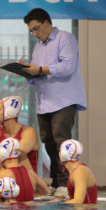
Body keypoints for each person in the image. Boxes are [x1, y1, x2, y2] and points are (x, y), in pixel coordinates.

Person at [22, 8, 87, 197]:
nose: (34, 34)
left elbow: (68, 67)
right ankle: (57, 180)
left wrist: (40, 69)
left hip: (64, 99)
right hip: (45, 101)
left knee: (61, 141)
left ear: (47, 24)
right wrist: (27, 72)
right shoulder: (38, 47)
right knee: (48, 142)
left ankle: (66, 183)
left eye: (36, 29)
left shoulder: (65, 38)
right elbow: (37, 76)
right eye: (31, 31)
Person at [59, 140, 97, 204]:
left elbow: (78, 202)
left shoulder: (80, 171)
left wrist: (57, 205)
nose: (58, 154)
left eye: (60, 151)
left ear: (64, 154)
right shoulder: (76, 170)